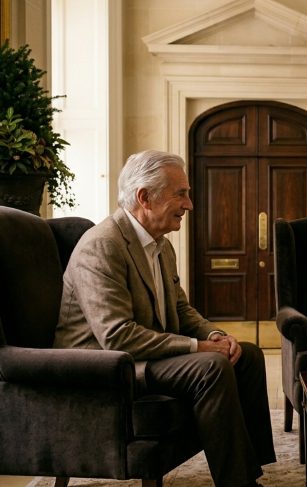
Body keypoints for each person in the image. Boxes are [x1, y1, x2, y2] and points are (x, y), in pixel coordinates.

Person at [53, 150, 275, 487]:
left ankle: (249, 470)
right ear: (145, 197)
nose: (189, 205)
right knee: (212, 366)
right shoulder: (102, 246)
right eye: (180, 194)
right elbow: (117, 336)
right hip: (108, 366)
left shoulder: (161, 245)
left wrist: (214, 336)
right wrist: (199, 348)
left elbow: (181, 310)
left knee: (247, 355)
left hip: (146, 357)